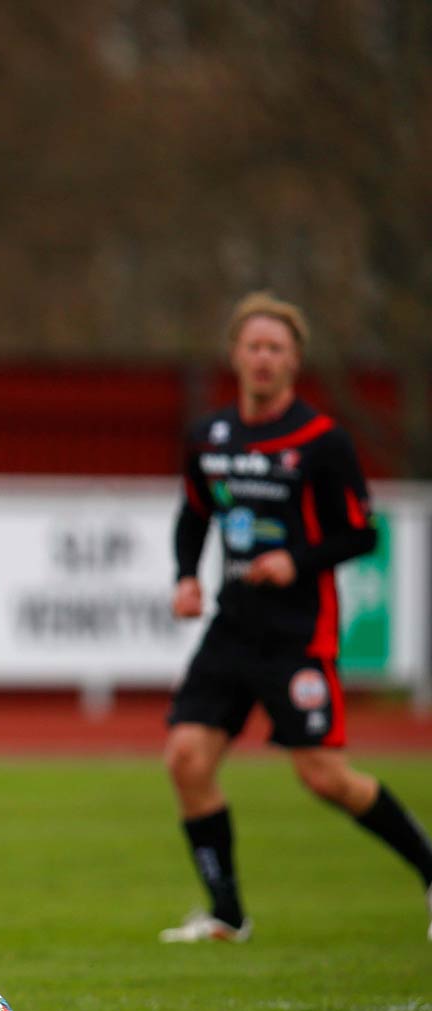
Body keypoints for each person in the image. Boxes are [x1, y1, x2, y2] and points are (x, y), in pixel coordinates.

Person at [161, 291, 432, 943]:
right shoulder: (211, 438)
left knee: (324, 777)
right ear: (235, 354)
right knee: (186, 758)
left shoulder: (321, 441)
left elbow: (361, 533)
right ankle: (227, 913)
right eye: (253, 346)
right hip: (232, 628)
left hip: (297, 635)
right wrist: (187, 577)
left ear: (294, 361)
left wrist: (296, 561)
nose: (262, 358)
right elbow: (195, 514)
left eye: (275, 348)